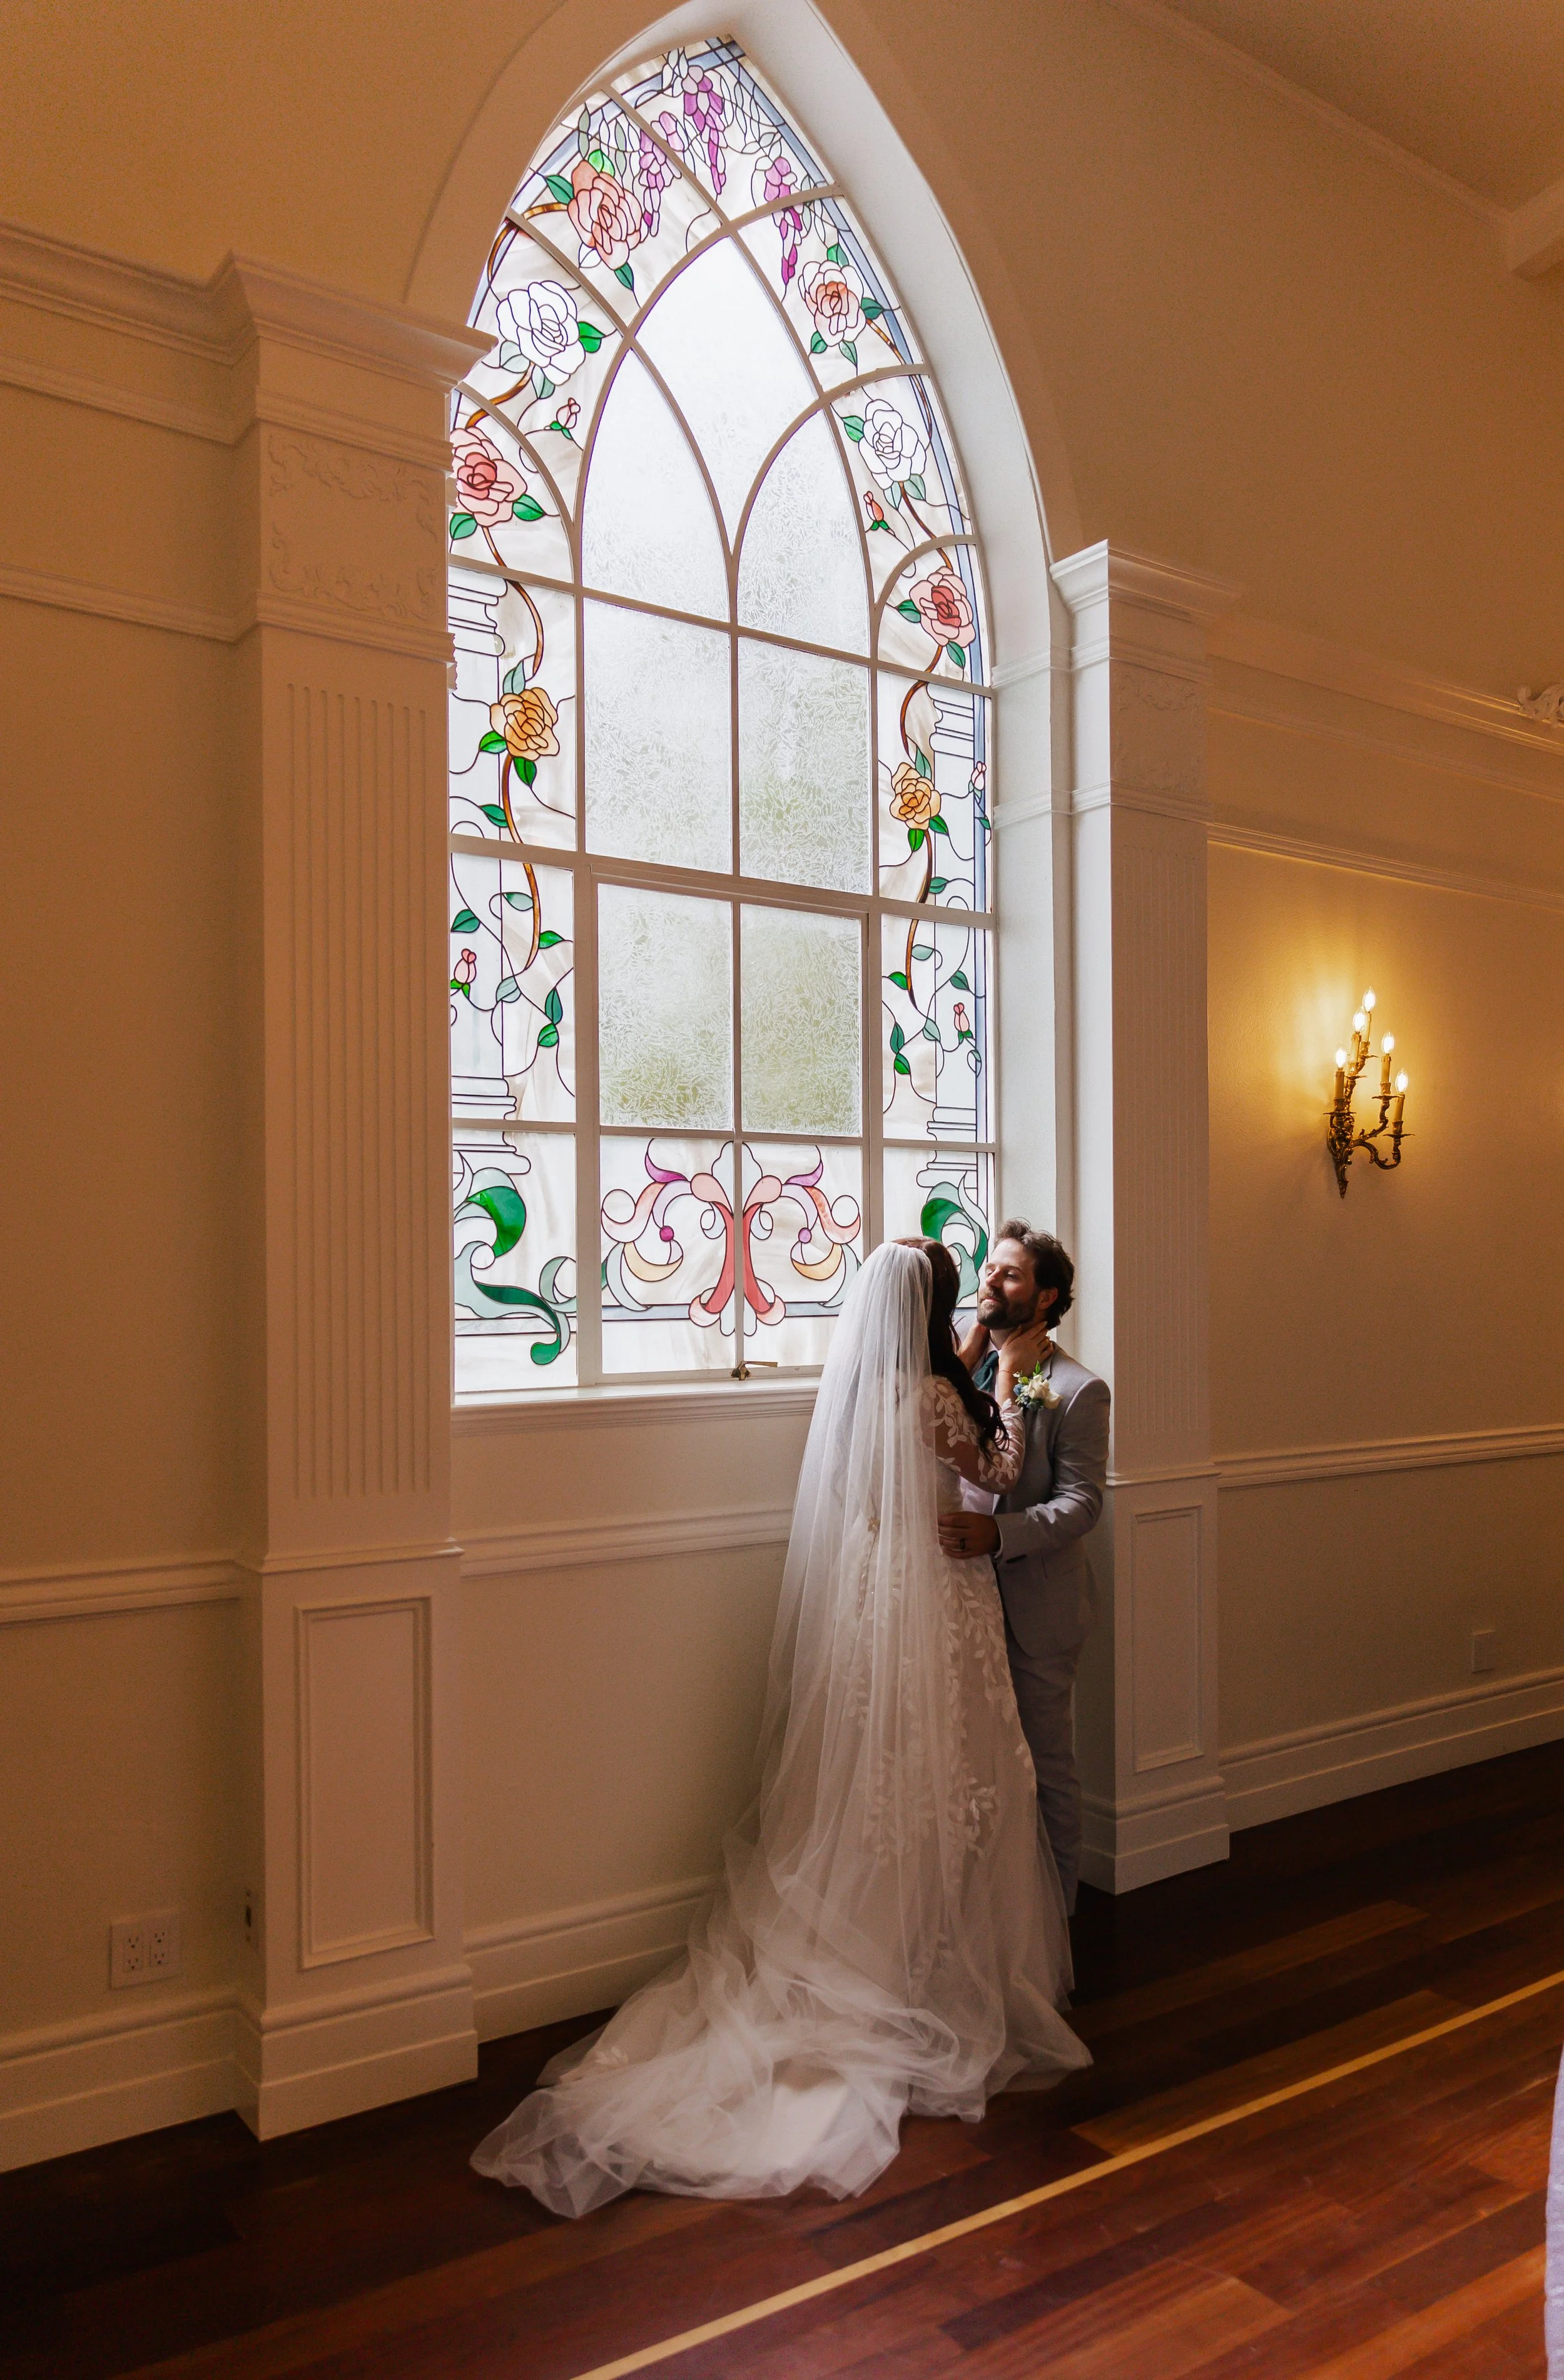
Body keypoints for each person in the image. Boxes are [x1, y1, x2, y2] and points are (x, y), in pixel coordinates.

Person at [472, 1238, 1089, 2217]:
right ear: (933, 1307)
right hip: (946, 1598)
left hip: (880, 1597)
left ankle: (892, 1942)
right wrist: (1008, 1387)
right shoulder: (941, 1397)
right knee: (960, 1771)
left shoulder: (872, 1392)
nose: (980, 1292)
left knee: (891, 1776)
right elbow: (1003, 1472)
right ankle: (935, 1963)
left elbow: (864, 1495)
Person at [937, 1223, 1110, 1915]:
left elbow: (1083, 1503)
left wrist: (998, 1533)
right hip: (960, 1604)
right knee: (981, 1767)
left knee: (1045, 1769)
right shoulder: (962, 1363)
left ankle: (1056, 1919)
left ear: (1046, 1297)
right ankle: (992, 1917)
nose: (988, 1280)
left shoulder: (1076, 1388)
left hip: (1036, 1611)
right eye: (988, 1269)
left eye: (1007, 1274)